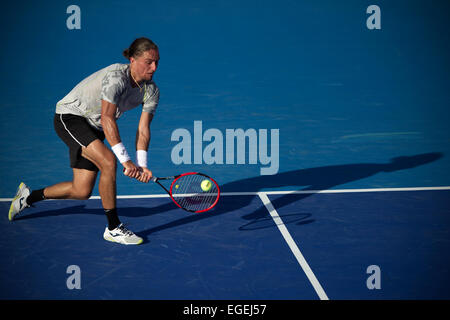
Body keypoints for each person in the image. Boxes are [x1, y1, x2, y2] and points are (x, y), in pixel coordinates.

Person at [8, 37, 160, 245]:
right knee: (109, 161)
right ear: (132, 60)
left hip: (94, 125)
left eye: (156, 62)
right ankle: (113, 228)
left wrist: (142, 164)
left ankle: (27, 197)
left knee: (81, 191)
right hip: (71, 117)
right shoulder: (116, 78)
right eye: (148, 62)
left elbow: (143, 129)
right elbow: (108, 117)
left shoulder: (151, 91)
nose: (153, 67)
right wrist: (126, 160)